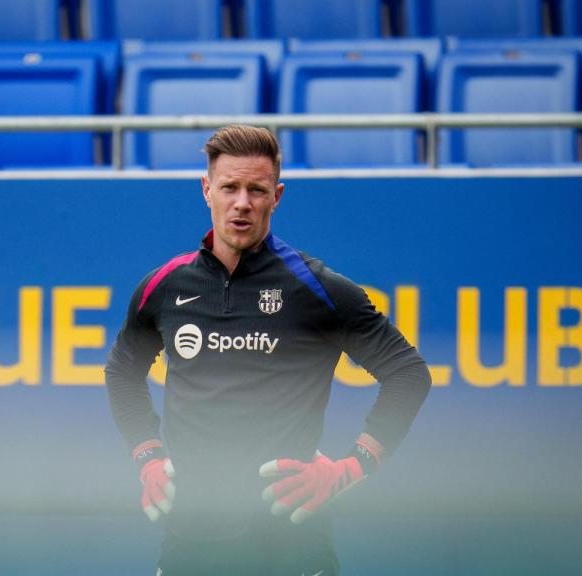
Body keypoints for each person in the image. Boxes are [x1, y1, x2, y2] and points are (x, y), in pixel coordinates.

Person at [104, 124, 431, 575]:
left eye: (256, 190)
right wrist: (147, 458)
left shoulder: (317, 287)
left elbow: (410, 374)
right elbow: (122, 371)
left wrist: (351, 468)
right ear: (206, 190)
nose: (242, 202)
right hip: (189, 544)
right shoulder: (165, 286)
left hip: (292, 546)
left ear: (276, 196)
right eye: (230, 187)